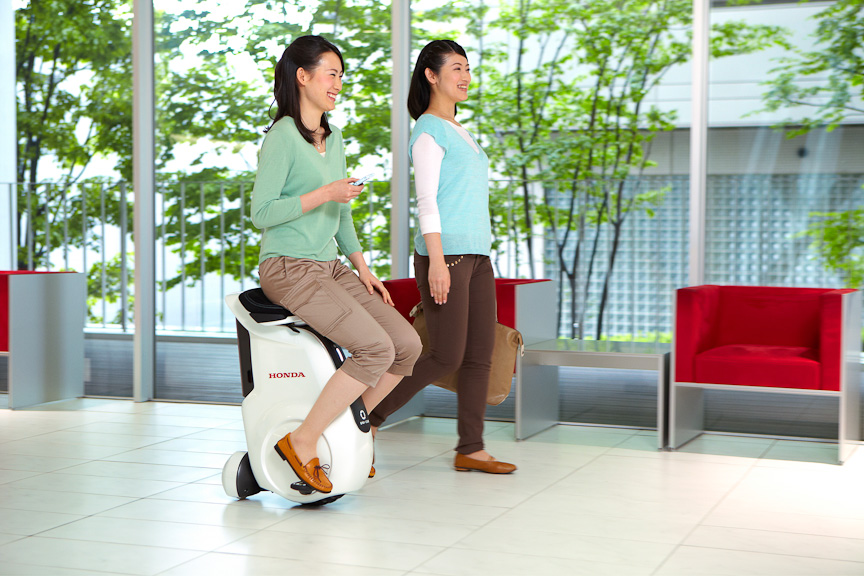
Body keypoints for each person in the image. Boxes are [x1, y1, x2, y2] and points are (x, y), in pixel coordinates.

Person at [251, 35, 421, 493]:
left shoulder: (335, 137)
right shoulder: (282, 137)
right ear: (302, 77)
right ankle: (302, 439)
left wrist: (362, 266)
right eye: (331, 74)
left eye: (341, 75)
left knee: (406, 345)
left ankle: (345, 429)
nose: (338, 84)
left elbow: (341, 212)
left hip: (329, 266)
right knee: (375, 349)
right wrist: (325, 192)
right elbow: (261, 212)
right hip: (288, 267)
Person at [369, 40, 516, 474]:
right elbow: (426, 202)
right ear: (431, 76)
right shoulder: (429, 131)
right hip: (446, 255)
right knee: (445, 356)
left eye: (467, 68)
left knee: (480, 355)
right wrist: (435, 261)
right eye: (455, 68)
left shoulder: (459, 129)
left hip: (477, 254)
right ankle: (367, 418)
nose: (465, 76)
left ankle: (471, 448)